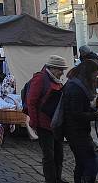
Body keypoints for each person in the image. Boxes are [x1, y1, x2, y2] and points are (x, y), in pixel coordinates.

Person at [25, 55, 67, 183]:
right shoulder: (41, 78)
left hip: (55, 124)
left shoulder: (56, 81)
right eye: (60, 69)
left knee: (59, 155)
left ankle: (58, 178)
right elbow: (31, 101)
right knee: (49, 156)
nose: (62, 73)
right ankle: (51, 180)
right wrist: (34, 123)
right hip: (44, 124)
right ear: (53, 68)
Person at [61, 59, 98, 183]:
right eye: (95, 74)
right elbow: (76, 114)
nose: (96, 77)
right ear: (88, 73)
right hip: (76, 132)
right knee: (91, 165)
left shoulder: (77, 84)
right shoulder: (76, 88)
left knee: (81, 163)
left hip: (76, 131)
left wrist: (93, 110)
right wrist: (96, 115)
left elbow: (81, 107)